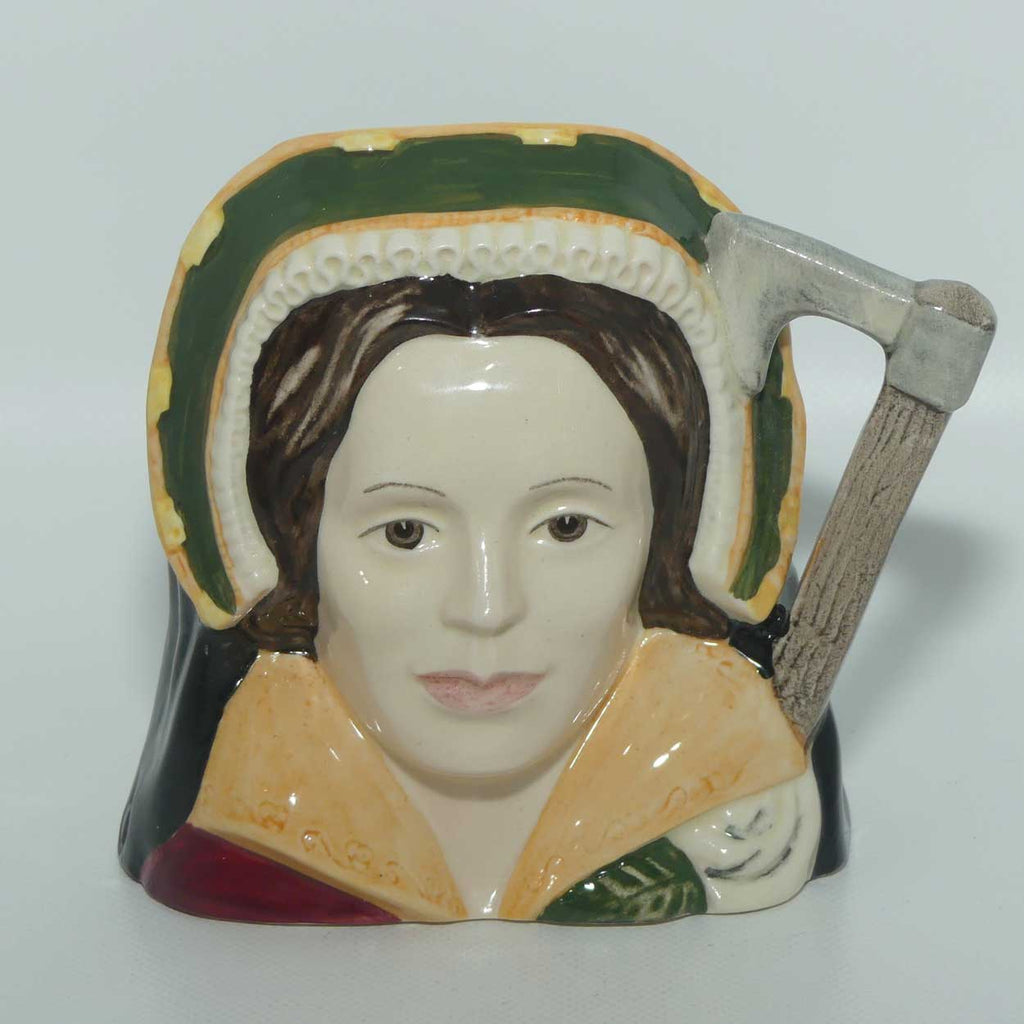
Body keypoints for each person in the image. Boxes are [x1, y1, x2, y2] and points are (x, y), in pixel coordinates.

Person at [120, 126, 849, 924]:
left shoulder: (736, 800)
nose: (487, 607)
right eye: (406, 533)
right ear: (290, 545)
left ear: (670, 540)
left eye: (565, 527)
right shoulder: (241, 829)